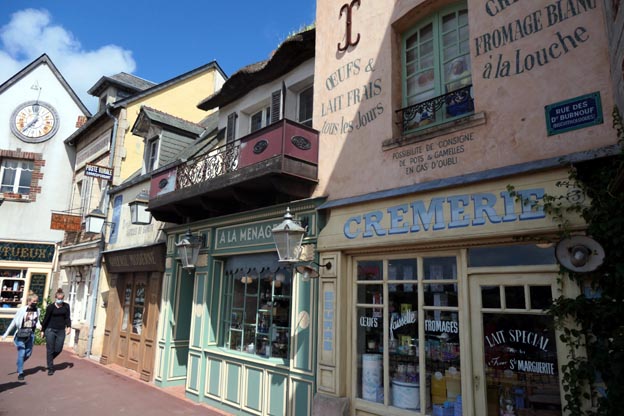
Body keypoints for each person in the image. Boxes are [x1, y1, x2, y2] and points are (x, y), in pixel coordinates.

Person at [1, 292, 41, 380]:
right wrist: (6, 334)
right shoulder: (22, 310)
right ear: (29, 301)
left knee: (28, 353)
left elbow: (36, 321)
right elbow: (14, 322)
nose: (35, 303)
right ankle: (20, 372)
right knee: (22, 352)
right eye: (33, 301)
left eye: (36, 301)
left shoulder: (37, 310)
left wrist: (39, 326)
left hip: (30, 334)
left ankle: (19, 363)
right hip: (21, 334)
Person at [41, 288, 71, 375]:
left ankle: (49, 359)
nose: (60, 300)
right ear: (55, 298)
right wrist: (43, 330)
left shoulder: (66, 306)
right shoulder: (50, 307)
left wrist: (69, 326)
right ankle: (50, 368)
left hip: (61, 330)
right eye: (58, 298)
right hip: (50, 329)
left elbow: (67, 317)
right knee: (50, 349)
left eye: (61, 299)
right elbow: (46, 319)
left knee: (59, 348)